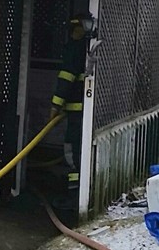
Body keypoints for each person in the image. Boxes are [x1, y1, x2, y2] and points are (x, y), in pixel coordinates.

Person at [50, 13, 92, 203]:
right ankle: (77, 191)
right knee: (79, 149)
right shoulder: (87, 49)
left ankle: (75, 196)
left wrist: (55, 106)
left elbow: (66, 79)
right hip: (85, 110)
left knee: (73, 150)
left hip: (76, 111)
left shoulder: (74, 50)